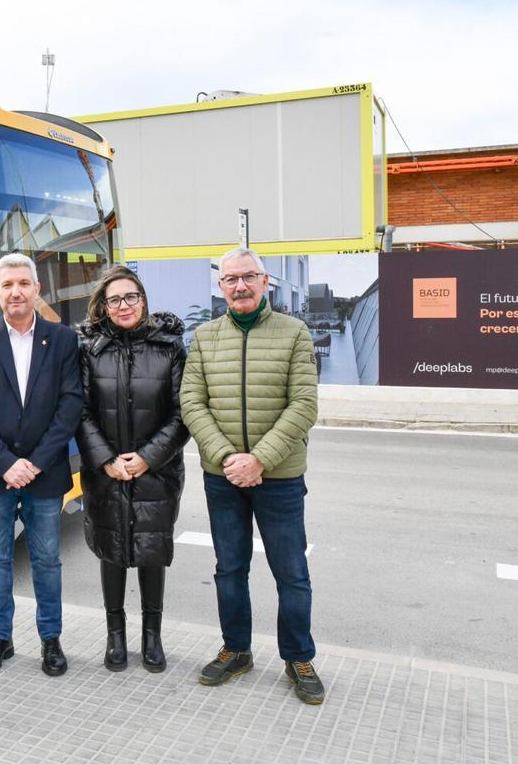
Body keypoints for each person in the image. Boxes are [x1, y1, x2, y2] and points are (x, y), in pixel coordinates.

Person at [180, 246, 324, 705]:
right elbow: (192, 403)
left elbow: (303, 405)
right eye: (230, 279)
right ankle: (236, 650)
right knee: (229, 569)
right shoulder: (203, 338)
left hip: (278, 476)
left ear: (266, 282)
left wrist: (259, 459)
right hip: (222, 478)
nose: (239, 286)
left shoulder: (294, 333)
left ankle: (298, 656)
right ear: (220, 287)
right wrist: (227, 457)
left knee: (292, 573)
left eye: (248, 277)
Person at [0, 253, 83, 677]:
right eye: (7, 284)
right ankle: (0, 638)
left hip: (45, 472)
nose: (15, 292)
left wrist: (35, 462)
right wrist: (6, 463)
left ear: (36, 289)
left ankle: (51, 639)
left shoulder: (63, 340)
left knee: (47, 559)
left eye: (23, 284)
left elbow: (70, 406)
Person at [76, 266, 189, 673]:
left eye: (131, 297)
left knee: (151, 550)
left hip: (156, 471)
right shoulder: (90, 349)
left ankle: (152, 636)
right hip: (106, 473)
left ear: (143, 300)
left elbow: (183, 414)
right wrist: (106, 459)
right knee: (111, 550)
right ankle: (115, 636)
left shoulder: (170, 347)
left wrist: (147, 458)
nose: (124, 306)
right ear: (103, 307)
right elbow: (81, 411)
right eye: (115, 299)